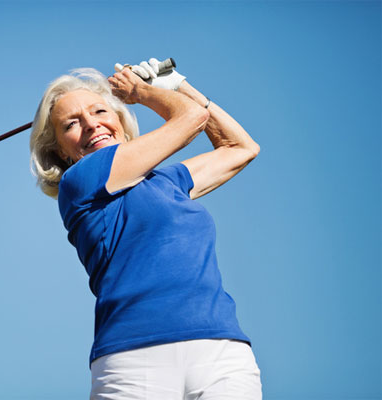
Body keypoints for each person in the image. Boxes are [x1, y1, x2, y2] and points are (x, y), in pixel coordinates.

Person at [29, 58, 262, 400]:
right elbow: (191, 118)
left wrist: (178, 85)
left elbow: (240, 147)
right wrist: (141, 91)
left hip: (220, 350)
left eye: (99, 111)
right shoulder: (79, 182)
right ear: (61, 152)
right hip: (133, 358)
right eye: (71, 124)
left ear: (120, 121)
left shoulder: (168, 182)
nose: (92, 125)